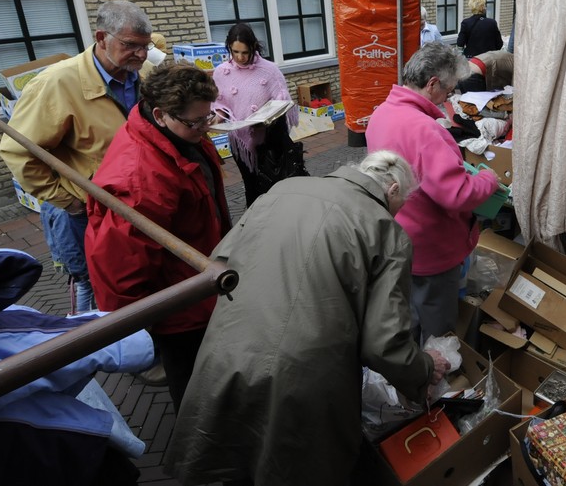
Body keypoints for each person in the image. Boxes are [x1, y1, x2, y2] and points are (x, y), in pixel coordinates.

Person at [165, 151, 451, 486]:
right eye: (400, 204)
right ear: (392, 190)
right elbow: (384, 343)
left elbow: (220, 261)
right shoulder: (385, 228)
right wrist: (425, 369)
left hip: (232, 348)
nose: (397, 212)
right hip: (303, 373)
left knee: (234, 455)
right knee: (291, 465)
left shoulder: (283, 189)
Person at [84, 60, 232, 412]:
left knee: (211, 370)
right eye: (196, 122)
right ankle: (198, 437)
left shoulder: (176, 136)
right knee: (193, 384)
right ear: (160, 115)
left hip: (198, 277)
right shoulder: (141, 180)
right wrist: (137, 327)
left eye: (208, 117)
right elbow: (120, 266)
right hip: (180, 302)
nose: (205, 127)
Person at [0, 0, 156, 314]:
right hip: (87, 210)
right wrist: (68, 201)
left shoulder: (146, 74)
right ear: (101, 38)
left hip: (139, 202)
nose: (141, 55)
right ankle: (90, 337)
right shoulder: (56, 84)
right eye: (131, 46)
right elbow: (17, 150)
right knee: (90, 282)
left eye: (146, 46)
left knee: (135, 276)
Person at [366, 42, 501, 342]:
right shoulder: (425, 129)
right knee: (437, 333)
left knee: (408, 320)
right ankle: (435, 370)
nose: (449, 98)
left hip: (399, 238)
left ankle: (413, 365)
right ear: (432, 84)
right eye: (449, 90)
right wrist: (488, 180)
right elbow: (457, 194)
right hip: (432, 247)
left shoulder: (381, 114)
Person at [212, 22, 302, 207]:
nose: (240, 57)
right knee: (250, 184)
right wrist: (218, 117)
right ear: (229, 47)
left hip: (269, 140)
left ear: (253, 47)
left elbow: (282, 101)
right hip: (240, 141)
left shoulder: (270, 70)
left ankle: (277, 216)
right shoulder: (221, 72)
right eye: (235, 52)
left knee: (275, 182)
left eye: (245, 52)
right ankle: (254, 217)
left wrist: (268, 119)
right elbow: (221, 102)